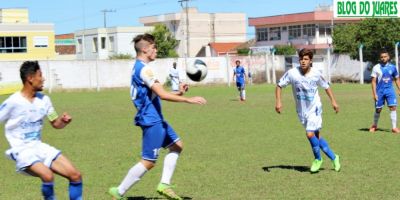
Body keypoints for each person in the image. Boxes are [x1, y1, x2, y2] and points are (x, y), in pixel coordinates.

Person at [108, 33, 206, 200]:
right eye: (153, 47)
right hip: (151, 120)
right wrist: (187, 99)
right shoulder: (145, 70)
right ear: (145, 49)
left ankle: (164, 185)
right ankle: (119, 192)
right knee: (149, 161)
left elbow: (156, 94)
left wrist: (179, 92)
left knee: (177, 146)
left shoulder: (139, 67)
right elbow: (162, 95)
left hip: (155, 118)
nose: (156, 50)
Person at [0, 61, 83, 199]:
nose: (43, 79)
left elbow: (55, 123)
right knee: (47, 175)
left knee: (75, 176)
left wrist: (63, 121)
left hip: (39, 147)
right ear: (30, 78)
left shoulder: (44, 100)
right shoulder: (13, 102)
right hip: (21, 149)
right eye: (40, 75)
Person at [275, 49, 341, 173]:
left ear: (310, 61)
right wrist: (278, 101)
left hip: (315, 108)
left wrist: (333, 101)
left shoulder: (316, 73)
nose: (303, 61)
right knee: (317, 137)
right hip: (301, 111)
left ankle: (317, 159)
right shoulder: (292, 73)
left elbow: (326, 87)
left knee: (309, 134)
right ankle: (334, 157)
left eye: (306, 59)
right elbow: (279, 86)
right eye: (301, 59)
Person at [369, 49, 400, 133]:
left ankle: (394, 128)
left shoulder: (393, 67)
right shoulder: (376, 67)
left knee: (393, 107)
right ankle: (374, 125)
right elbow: (373, 81)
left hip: (390, 90)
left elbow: (397, 79)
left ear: (388, 57)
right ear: (380, 58)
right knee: (378, 109)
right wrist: (374, 94)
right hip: (380, 92)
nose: (383, 58)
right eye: (382, 57)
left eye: (385, 56)